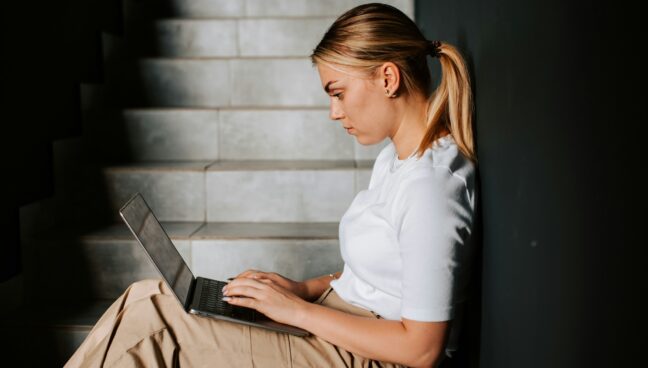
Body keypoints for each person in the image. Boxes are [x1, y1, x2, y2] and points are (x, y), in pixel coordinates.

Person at [64, 3, 477, 368]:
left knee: (152, 327)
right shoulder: (397, 159)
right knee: (147, 297)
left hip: (366, 354)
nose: (334, 112)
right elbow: (384, 274)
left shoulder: (430, 189)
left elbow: (422, 350)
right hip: (339, 323)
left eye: (338, 93)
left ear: (388, 78)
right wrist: (303, 288)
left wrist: (296, 311)